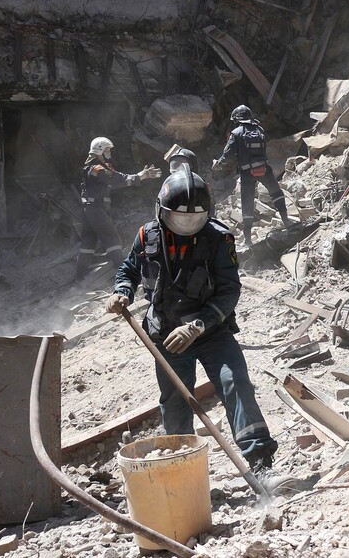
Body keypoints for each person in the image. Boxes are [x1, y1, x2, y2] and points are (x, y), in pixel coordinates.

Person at [105, 168, 278, 471]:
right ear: (162, 211)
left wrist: (198, 325)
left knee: (235, 382)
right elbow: (129, 269)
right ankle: (184, 471)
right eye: (179, 219)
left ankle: (260, 462)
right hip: (168, 335)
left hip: (211, 332)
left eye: (194, 219)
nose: (186, 226)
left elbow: (229, 290)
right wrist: (122, 292)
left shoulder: (219, 239)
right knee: (175, 404)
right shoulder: (147, 236)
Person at [74, 137, 161, 283]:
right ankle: (124, 272)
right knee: (112, 238)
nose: (109, 153)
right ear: (100, 151)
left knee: (88, 242)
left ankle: (79, 276)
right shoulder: (99, 169)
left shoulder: (90, 168)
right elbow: (117, 179)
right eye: (107, 150)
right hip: (97, 210)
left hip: (88, 210)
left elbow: (113, 180)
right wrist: (140, 176)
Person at [213, 106, 290, 246]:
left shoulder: (236, 133)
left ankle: (248, 238)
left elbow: (228, 155)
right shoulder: (260, 130)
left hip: (247, 172)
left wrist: (218, 164)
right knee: (276, 192)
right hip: (264, 169)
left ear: (237, 120)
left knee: (247, 201)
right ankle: (286, 221)